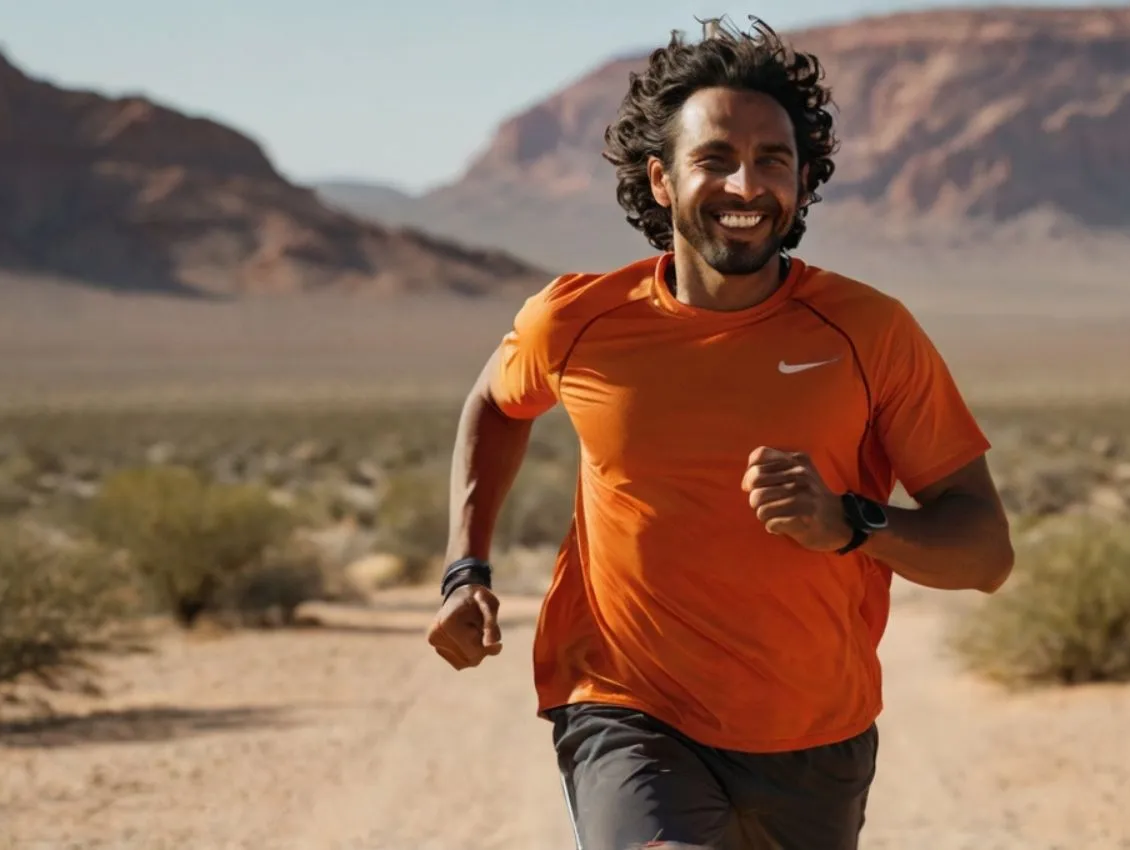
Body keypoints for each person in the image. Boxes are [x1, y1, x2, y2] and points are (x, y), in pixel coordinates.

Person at [425, 15, 1014, 850]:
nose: (746, 185)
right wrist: (464, 567)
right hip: (625, 708)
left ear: (804, 181)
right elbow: (494, 402)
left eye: (773, 160)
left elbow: (986, 552)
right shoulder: (577, 322)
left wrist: (851, 523)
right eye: (716, 159)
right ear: (661, 180)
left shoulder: (869, 332)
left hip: (815, 733)